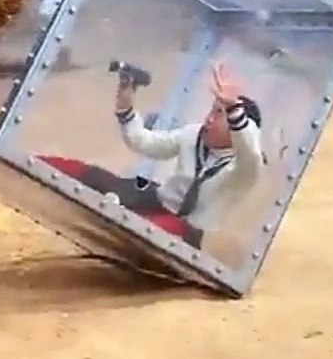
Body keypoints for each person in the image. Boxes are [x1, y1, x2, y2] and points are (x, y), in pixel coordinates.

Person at [57, 62, 266, 263]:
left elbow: (251, 153)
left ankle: (120, 220)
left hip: (189, 230)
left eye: (219, 114)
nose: (209, 119)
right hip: (158, 199)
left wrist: (234, 109)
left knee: (146, 232)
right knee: (97, 179)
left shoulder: (244, 170)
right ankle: (34, 166)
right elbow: (145, 142)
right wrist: (125, 105)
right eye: (212, 110)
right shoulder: (193, 135)